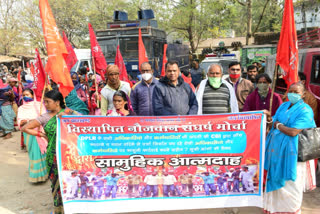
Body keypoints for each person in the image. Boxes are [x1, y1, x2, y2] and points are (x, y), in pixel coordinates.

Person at [21, 90, 79, 214]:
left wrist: (68, 119)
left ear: (57, 102)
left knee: (72, 182)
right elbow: (25, 128)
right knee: (57, 184)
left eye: (48, 102)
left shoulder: (70, 113)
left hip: (70, 155)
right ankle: (59, 209)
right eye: (45, 102)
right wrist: (41, 134)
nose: (45, 105)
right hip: (53, 156)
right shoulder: (45, 117)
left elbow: (87, 124)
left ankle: (73, 208)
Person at [263, 82, 316, 214]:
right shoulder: (284, 106)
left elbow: (293, 131)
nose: (292, 94)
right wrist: (270, 118)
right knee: (277, 183)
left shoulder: (306, 110)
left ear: (303, 94)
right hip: (276, 152)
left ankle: (291, 211)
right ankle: (274, 210)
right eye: (290, 91)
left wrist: (277, 125)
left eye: (296, 92)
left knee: (291, 186)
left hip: (294, 154)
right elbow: (272, 122)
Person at [17, 88, 48, 183]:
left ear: (32, 95)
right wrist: (29, 121)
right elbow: (20, 121)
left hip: (39, 131)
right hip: (29, 133)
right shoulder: (21, 108)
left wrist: (36, 121)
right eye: (24, 95)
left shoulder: (39, 105)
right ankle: (35, 176)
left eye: (27, 94)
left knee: (41, 152)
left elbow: (45, 118)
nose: (25, 96)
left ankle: (43, 175)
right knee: (33, 153)